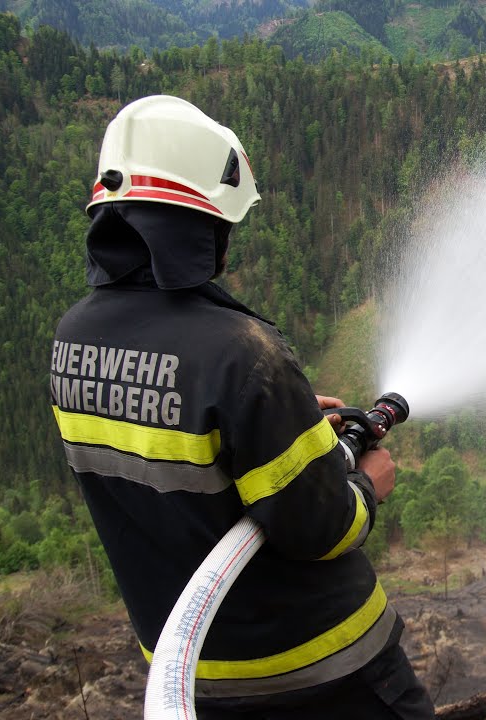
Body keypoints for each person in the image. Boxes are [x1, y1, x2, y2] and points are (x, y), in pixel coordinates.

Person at [48, 94, 435, 719]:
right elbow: (321, 527)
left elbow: (173, 442)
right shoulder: (242, 355)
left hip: (193, 673)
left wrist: (276, 421)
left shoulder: (72, 341)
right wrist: (368, 485)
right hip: (320, 663)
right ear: (201, 227)